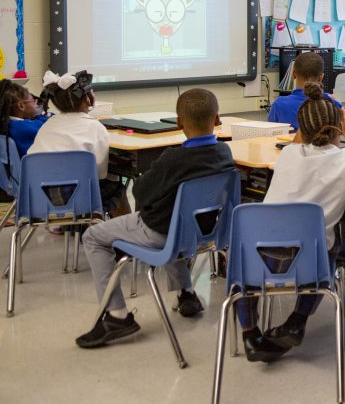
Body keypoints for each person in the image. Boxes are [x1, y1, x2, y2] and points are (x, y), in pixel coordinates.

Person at [75, 89, 236, 348]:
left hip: (166, 235)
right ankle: (186, 293)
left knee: (93, 236)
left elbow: (139, 191)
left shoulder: (171, 159)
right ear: (217, 119)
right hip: (209, 235)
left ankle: (117, 316)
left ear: (179, 123)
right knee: (175, 222)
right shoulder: (225, 154)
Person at [236, 82, 345, 362]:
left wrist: (307, 125)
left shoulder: (289, 154)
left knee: (244, 258)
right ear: (338, 130)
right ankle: (297, 320)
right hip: (310, 268)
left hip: (257, 262)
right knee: (333, 245)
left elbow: (298, 143)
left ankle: (250, 335)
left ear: (300, 129)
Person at [29, 70, 119, 212]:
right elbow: (100, 174)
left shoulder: (48, 124)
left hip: (39, 197)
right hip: (78, 198)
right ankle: (113, 228)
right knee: (118, 182)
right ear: (88, 98)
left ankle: (71, 225)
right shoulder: (95, 127)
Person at [268, 51, 342, 131]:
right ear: (321, 77)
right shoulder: (331, 103)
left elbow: (270, 134)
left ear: (293, 74)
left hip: (289, 143)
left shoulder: (279, 104)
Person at [0, 79, 48, 157]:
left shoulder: (6, 124)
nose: (36, 103)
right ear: (21, 106)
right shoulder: (26, 128)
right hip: (34, 168)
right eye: (33, 100)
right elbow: (47, 123)